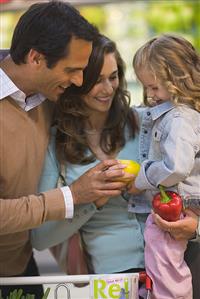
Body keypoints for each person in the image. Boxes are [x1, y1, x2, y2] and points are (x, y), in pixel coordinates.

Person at [0, 1, 127, 297]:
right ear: (35, 58)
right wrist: (73, 196)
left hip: (20, 267)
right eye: (72, 70)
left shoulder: (48, 95)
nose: (79, 81)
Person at [32, 34, 149, 281]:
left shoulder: (145, 124)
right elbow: (41, 238)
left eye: (113, 77)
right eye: (97, 80)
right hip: (112, 276)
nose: (108, 89)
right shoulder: (56, 144)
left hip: (174, 263)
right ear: (77, 82)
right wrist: (92, 200)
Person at [130, 34, 200, 299]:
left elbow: (176, 167)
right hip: (184, 202)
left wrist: (142, 178)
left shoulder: (180, 118)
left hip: (185, 202)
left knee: (161, 249)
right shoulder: (176, 114)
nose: (149, 95)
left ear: (178, 81)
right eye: (146, 87)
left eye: (155, 88)